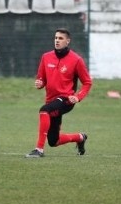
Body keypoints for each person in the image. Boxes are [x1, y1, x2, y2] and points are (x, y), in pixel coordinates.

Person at [25, 28, 92, 158]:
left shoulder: (76, 60)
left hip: (66, 100)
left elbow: (87, 82)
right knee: (53, 141)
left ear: (68, 41)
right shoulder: (46, 57)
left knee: (44, 110)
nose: (57, 40)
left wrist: (78, 97)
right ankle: (80, 137)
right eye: (56, 38)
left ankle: (38, 150)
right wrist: (40, 83)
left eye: (60, 38)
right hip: (51, 100)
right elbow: (41, 79)